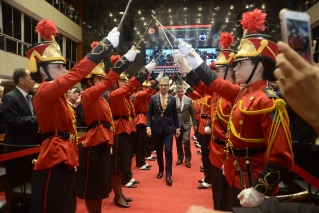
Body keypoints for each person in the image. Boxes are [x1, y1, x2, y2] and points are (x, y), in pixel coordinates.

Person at [175, 9, 293, 208]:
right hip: (232, 171)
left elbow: (281, 156)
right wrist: (192, 60)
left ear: (259, 66)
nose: (235, 68)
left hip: (250, 180)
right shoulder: (243, 93)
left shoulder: (269, 102)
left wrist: (260, 189)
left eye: (241, 64)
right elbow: (215, 84)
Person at [25, 19, 120, 213]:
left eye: (63, 67)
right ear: (42, 70)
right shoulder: (44, 89)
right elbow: (76, 74)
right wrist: (106, 45)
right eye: (58, 67)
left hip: (65, 153)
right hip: (54, 154)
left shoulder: (56, 94)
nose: (64, 71)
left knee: (67, 206)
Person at [76, 42, 131, 213]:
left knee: (100, 188)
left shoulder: (100, 98)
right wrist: (126, 60)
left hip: (103, 142)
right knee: (93, 188)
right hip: (94, 144)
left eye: (101, 78)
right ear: (90, 80)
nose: (101, 82)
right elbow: (109, 82)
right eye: (98, 79)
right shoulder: (88, 94)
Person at [108, 56, 156, 208]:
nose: (124, 83)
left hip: (125, 128)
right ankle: (116, 195)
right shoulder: (115, 95)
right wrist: (145, 71)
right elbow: (131, 87)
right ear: (115, 82)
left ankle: (120, 192)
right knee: (117, 166)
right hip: (118, 130)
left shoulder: (124, 96)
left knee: (123, 163)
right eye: (121, 80)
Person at [146, 77, 181, 186]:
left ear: (168, 86)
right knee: (159, 151)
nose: (163, 87)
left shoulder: (172, 99)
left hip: (169, 128)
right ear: (159, 86)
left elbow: (175, 115)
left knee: (168, 150)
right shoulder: (153, 98)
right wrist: (148, 127)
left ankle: (168, 174)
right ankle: (161, 169)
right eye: (161, 85)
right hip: (156, 128)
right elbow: (149, 114)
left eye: (165, 85)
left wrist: (178, 127)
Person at [2, 68, 39, 146]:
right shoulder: (10, 97)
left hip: (32, 142)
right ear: (21, 80)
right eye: (31, 78)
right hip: (17, 145)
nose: (33, 81)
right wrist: (37, 118)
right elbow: (13, 121)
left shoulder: (30, 98)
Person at [133, 75, 162, 170]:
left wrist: (158, 83)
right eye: (145, 86)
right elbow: (149, 91)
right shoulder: (138, 95)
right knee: (141, 142)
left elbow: (152, 92)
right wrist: (156, 81)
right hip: (140, 119)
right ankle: (140, 162)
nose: (146, 88)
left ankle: (142, 161)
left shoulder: (143, 96)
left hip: (144, 118)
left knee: (144, 142)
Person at [175, 84, 196, 168]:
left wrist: (194, 124)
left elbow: (192, 113)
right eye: (178, 92)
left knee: (186, 141)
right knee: (178, 142)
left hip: (186, 124)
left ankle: (188, 159)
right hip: (176, 126)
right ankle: (180, 158)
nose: (180, 93)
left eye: (181, 91)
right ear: (176, 92)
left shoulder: (189, 100)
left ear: (184, 91)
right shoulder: (173, 100)